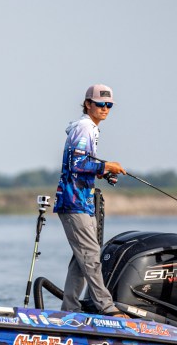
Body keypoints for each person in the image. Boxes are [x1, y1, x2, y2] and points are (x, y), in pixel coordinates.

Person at [53, 84, 128, 316]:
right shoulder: (85, 128)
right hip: (74, 202)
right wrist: (107, 166)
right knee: (91, 257)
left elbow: (82, 165)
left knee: (82, 259)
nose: (105, 108)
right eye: (100, 104)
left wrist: (102, 172)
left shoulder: (90, 128)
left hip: (81, 202)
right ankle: (107, 307)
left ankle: (70, 309)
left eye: (109, 105)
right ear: (88, 104)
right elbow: (77, 164)